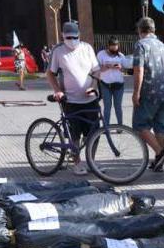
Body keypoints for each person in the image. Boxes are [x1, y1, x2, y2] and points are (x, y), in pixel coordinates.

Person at [47, 21, 101, 176]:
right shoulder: (58, 51)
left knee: (94, 132)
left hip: (90, 99)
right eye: (68, 37)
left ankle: (91, 161)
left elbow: (96, 71)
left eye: (75, 37)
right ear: (63, 36)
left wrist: (94, 86)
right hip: (70, 100)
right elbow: (50, 73)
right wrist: (57, 90)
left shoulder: (87, 48)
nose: (72, 40)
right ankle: (76, 163)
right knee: (74, 134)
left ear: (79, 35)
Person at [131, 17, 164, 172]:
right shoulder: (163, 46)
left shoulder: (141, 45)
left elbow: (138, 70)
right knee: (160, 127)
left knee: (140, 125)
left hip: (148, 92)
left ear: (140, 30)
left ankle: (160, 154)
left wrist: (136, 92)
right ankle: (158, 162)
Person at [97, 37, 126, 126]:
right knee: (107, 107)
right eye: (112, 47)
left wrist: (121, 68)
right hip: (105, 84)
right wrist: (107, 66)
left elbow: (125, 70)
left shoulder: (121, 55)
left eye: (116, 47)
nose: (114, 49)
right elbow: (96, 69)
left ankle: (120, 126)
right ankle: (106, 127)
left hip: (119, 85)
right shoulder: (101, 54)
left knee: (118, 107)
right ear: (108, 46)